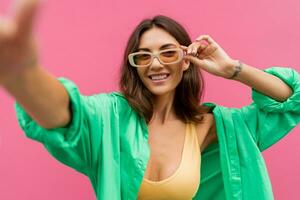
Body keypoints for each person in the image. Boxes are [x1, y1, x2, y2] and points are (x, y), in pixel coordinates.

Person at [1, 0, 300, 199]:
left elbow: (292, 100)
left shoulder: (216, 127)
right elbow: (68, 115)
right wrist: (23, 77)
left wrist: (232, 69)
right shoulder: (111, 119)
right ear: (135, 66)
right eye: (143, 56)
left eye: (168, 52)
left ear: (187, 60)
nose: (155, 64)